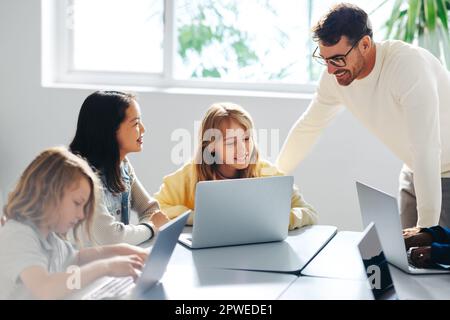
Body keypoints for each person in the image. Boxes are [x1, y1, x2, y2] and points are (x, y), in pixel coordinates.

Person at [276, 3, 450, 234]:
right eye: (324, 59)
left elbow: (427, 147)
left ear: (365, 44)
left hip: (443, 170)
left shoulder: (407, 67)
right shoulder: (335, 77)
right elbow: (309, 127)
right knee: (400, 259)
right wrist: (273, 179)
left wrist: (427, 228)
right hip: (414, 171)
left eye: (337, 59)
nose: (329, 70)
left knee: (435, 265)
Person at [0, 147, 148, 299]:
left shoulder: (49, 237)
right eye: (77, 203)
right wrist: (107, 267)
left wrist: (127, 251)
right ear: (49, 193)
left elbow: (78, 259)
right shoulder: (18, 234)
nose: (81, 215)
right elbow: (45, 289)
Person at [154, 102, 318, 229]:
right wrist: (201, 217)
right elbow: (155, 210)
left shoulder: (266, 172)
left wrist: (273, 219)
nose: (242, 149)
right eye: (231, 142)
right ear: (210, 145)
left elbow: (309, 212)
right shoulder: (188, 176)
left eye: (246, 139)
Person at [70, 91, 169, 246]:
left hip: (111, 262)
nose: (143, 129)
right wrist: (150, 228)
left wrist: (140, 232)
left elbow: (151, 209)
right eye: (136, 123)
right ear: (110, 130)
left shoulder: (122, 165)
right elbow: (111, 237)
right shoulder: (81, 178)